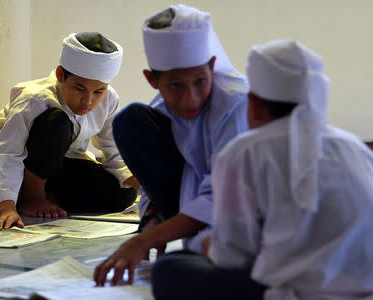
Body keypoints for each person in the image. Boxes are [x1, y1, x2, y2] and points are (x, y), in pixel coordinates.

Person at [152, 39, 373, 300]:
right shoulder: (354, 147)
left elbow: (233, 256)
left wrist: (210, 244)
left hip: (294, 293)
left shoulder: (244, 151)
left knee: (170, 269)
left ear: (254, 105)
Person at [93, 4, 249, 286]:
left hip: (244, 217)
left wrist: (142, 243)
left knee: (170, 274)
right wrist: (150, 221)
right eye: (176, 85)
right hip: (202, 213)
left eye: (200, 81)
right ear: (153, 80)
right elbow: (157, 180)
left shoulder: (235, 104)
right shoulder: (162, 109)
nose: (190, 98)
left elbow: (224, 197)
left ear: (212, 67)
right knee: (130, 121)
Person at [0, 32, 139, 231]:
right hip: (2, 158)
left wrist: (143, 184)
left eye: (98, 91)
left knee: (123, 193)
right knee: (56, 122)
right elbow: (7, 150)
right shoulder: (36, 98)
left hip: (55, 164)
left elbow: (114, 149)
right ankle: (30, 197)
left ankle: (22, 193)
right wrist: (6, 207)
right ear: (60, 75)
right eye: (79, 88)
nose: (88, 101)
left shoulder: (110, 99)